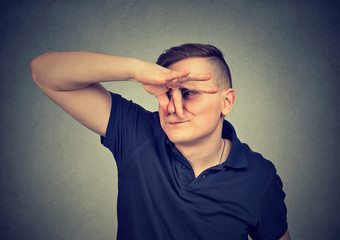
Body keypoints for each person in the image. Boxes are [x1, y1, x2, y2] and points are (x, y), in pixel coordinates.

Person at [31, 43, 290, 240]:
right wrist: (136, 71)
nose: (173, 107)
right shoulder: (137, 133)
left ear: (227, 101)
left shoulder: (260, 176)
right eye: (167, 92)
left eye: (189, 93)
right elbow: (44, 71)